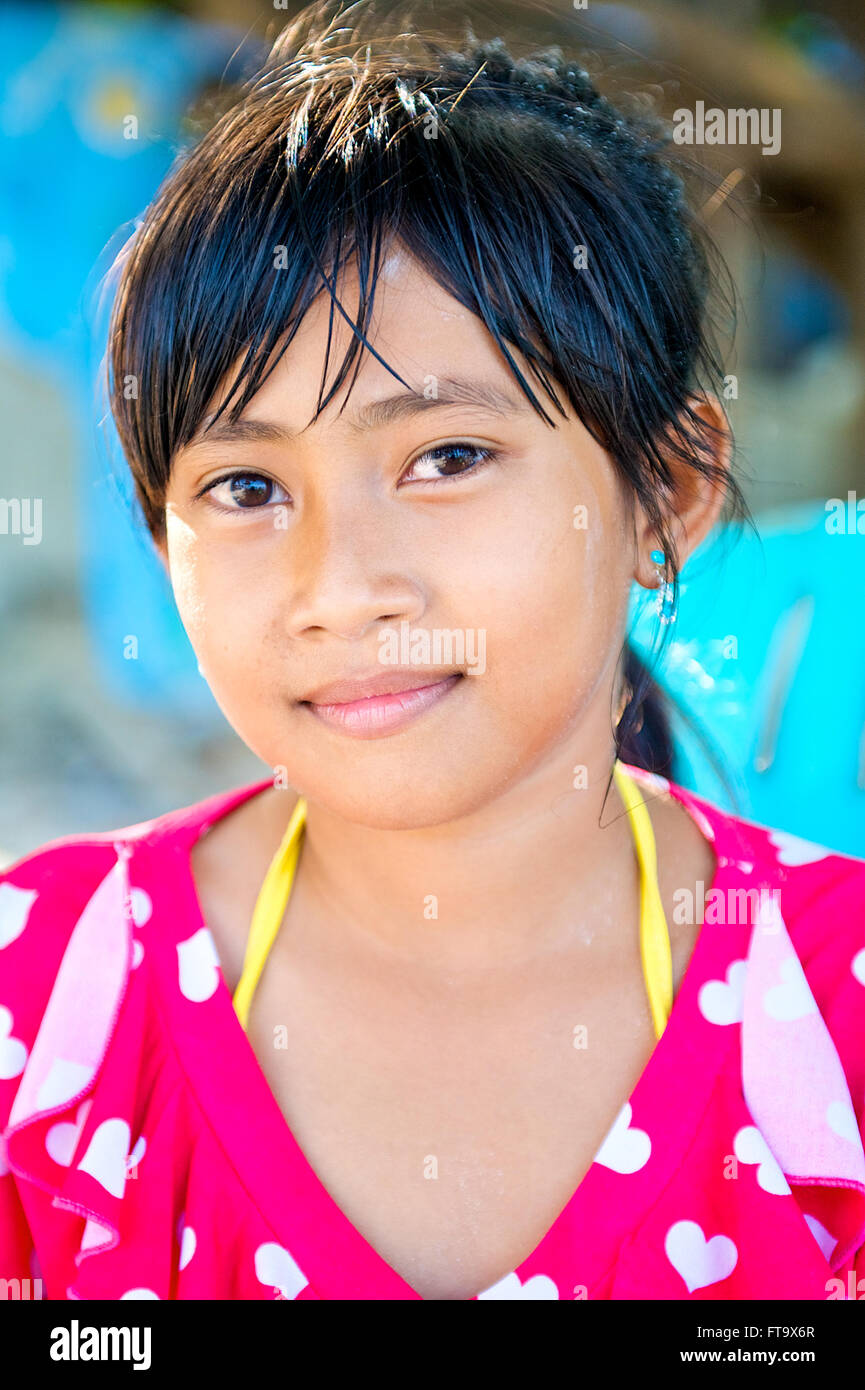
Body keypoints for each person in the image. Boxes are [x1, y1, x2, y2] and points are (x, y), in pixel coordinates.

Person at [1, 0, 863, 1302]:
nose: (340, 588)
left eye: (447, 456)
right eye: (244, 487)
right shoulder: (43, 1002)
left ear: (664, 493)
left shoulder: (834, 1011)